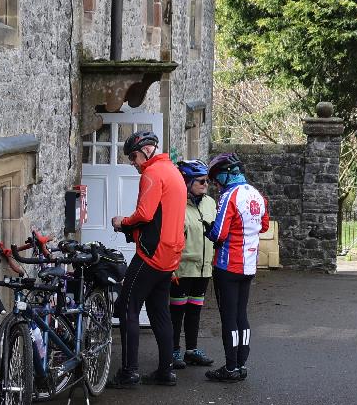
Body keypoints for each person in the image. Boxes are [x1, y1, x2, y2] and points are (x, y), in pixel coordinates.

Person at [109, 131, 185, 387]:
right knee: (159, 312)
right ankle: (166, 371)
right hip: (171, 255)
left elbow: (144, 213)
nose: (132, 163)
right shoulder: (172, 171)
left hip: (151, 255)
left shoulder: (152, 174)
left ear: (147, 150)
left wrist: (122, 222)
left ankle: (129, 372)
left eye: (133, 157)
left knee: (126, 307)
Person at [204, 152, 268, 382]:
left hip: (227, 265)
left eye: (216, 178)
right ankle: (241, 364)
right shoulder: (257, 195)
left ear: (226, 173)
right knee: (242, 315)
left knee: (228, 317)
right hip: (249, 265)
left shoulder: (229, 195)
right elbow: (263, 226)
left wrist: (207, 229)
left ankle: (230, 368)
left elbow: (218, 234)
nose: (215, 183)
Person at [171, 159, 216, 367]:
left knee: (195, 311)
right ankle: (173, 351)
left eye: (207, 181)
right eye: (200, 181)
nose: (205, 184)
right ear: (187, 182)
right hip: (183, 268)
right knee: (177, 312)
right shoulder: (177, 204)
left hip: (204, 268)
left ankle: (191, 349)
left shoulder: (210, 203)